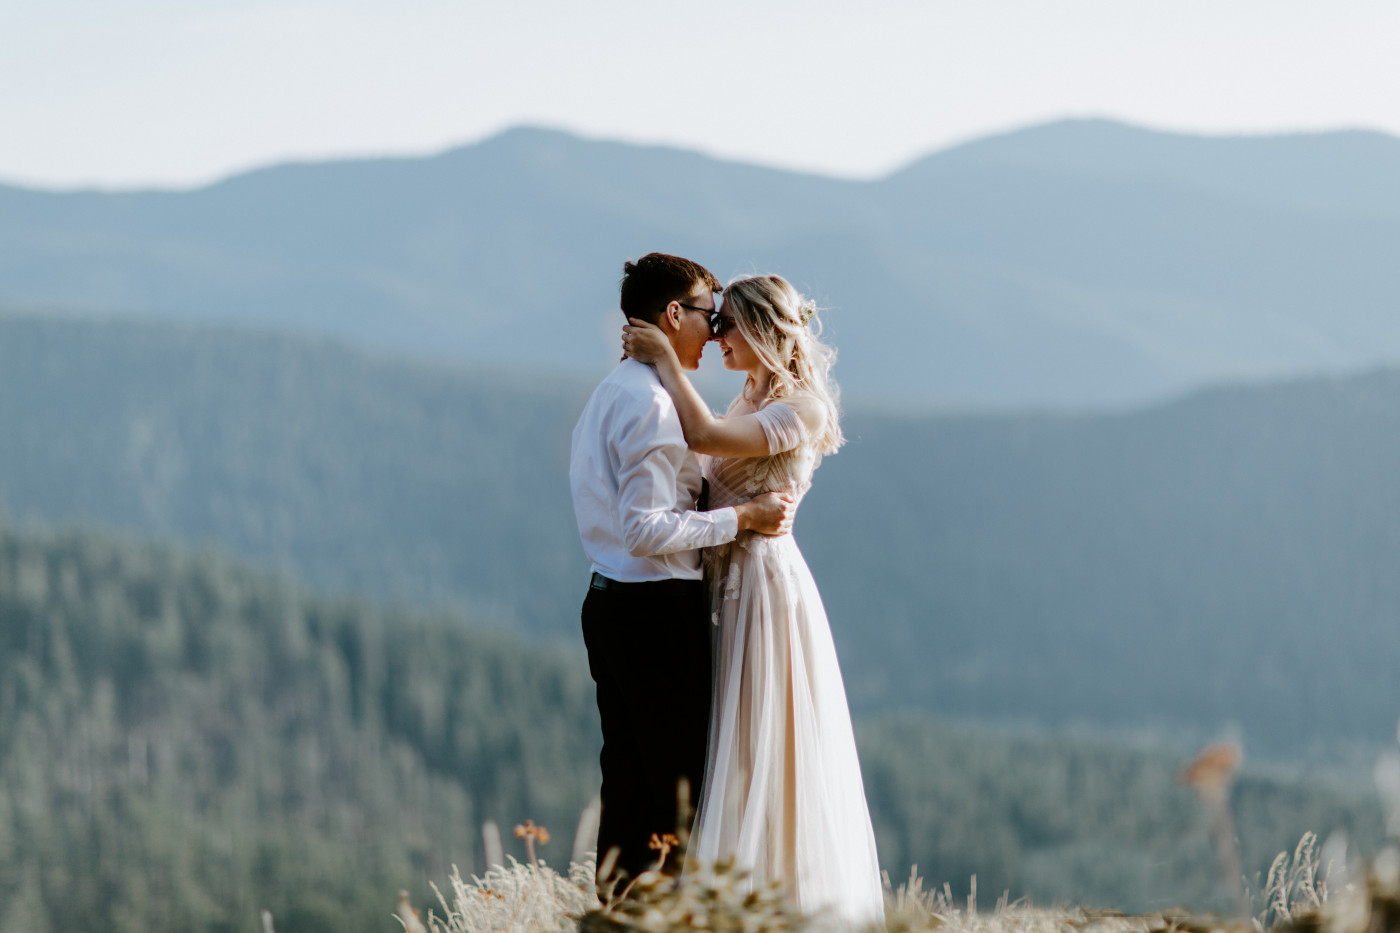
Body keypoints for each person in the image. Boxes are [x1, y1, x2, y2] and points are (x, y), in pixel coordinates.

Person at [621, 274, 884, 924]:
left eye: (729, 325)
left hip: (762, 585)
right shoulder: (748, 394)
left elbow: (706, 438)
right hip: (724, 571)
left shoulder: (803, 407)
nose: (717, 336)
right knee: (727, 738)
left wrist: (661, 359)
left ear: (765, 329)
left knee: (762, 736)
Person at [569, 253, 797, 888]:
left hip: (610, 600)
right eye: (707, 313)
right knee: (677, 794)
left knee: (629, 785)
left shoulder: (614, 391)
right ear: (674, 314)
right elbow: (646, 530)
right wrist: (743, 518)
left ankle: (619, 913)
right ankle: (663, 916)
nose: (716, 329)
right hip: (655, 610)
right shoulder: (651, 405)